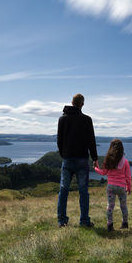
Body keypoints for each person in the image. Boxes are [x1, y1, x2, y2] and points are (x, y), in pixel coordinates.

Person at [57, 93, 98, 227]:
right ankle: (84, 221)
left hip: (67, 159)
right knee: (83, 191)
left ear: (72, 102)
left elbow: (59, 140)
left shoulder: (62, 119)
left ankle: (62, 221)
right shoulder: (86, 120)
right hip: (82, 159)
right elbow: (91, 141)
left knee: (63, 190)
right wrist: (95, 158)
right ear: (82, 104)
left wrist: (64, 155)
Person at [94, 139, 131, 231]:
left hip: (110, 186)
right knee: (123, 206)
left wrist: (95, 168)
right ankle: (125, 223)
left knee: (110, 206)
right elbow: (128, 177)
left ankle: (110, 225)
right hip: (122, 187)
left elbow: (103, 173)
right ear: (122, 148)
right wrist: (128, 187)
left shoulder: (108, 160)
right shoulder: (125, 162)